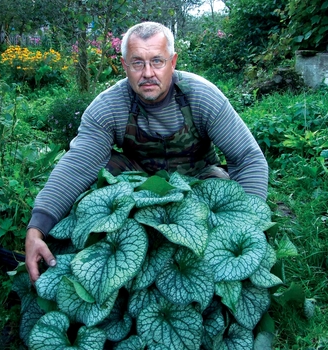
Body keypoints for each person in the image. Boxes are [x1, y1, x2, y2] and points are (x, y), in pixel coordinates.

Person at [25, 21, 268, 283]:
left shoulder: (202, 96)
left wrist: (249, 225)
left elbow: (247, 158)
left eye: (157, 61)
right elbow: (78, 164)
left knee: (223, 186)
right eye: (138, 63)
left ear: (173, 63)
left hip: (198, 181)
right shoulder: (109, 106)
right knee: (101, 170)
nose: (148, 73)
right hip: (140, 189)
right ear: (124, 66)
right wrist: (37, 228)